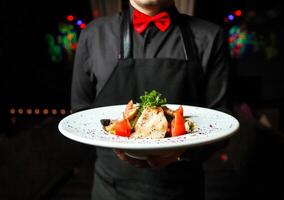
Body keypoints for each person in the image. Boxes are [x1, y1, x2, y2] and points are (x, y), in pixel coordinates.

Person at [71, 0, 230, 199]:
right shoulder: (93, 35)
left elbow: (223, 120)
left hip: (182, 189)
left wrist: (182, 153)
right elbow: (79, 113)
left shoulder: (210, 36)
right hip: (111, 190)